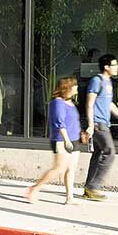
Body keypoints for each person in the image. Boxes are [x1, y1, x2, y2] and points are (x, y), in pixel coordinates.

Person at [81, 51, 118, 199]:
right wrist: (90, 125)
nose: (117, 68)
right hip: (98, 124)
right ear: (106, 67)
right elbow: (89, 103)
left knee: (98, 154)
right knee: (110, 152)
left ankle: (88, 188)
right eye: (115, 65)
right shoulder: (97, 81)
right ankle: (93, 187)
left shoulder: (108, 82)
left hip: (104, 122)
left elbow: (108, 103)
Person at [25, 76, 82, 205]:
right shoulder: (57, 102)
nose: (77, 88)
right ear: (67, 88)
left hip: (74, 139)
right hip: (62, 139)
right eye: (74, 86)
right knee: (59, 168)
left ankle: (69, 198)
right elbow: (59, 122)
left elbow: (72, 122)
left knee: (71, 169)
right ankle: (34, 188)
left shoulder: (71, 103)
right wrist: (67, 140)